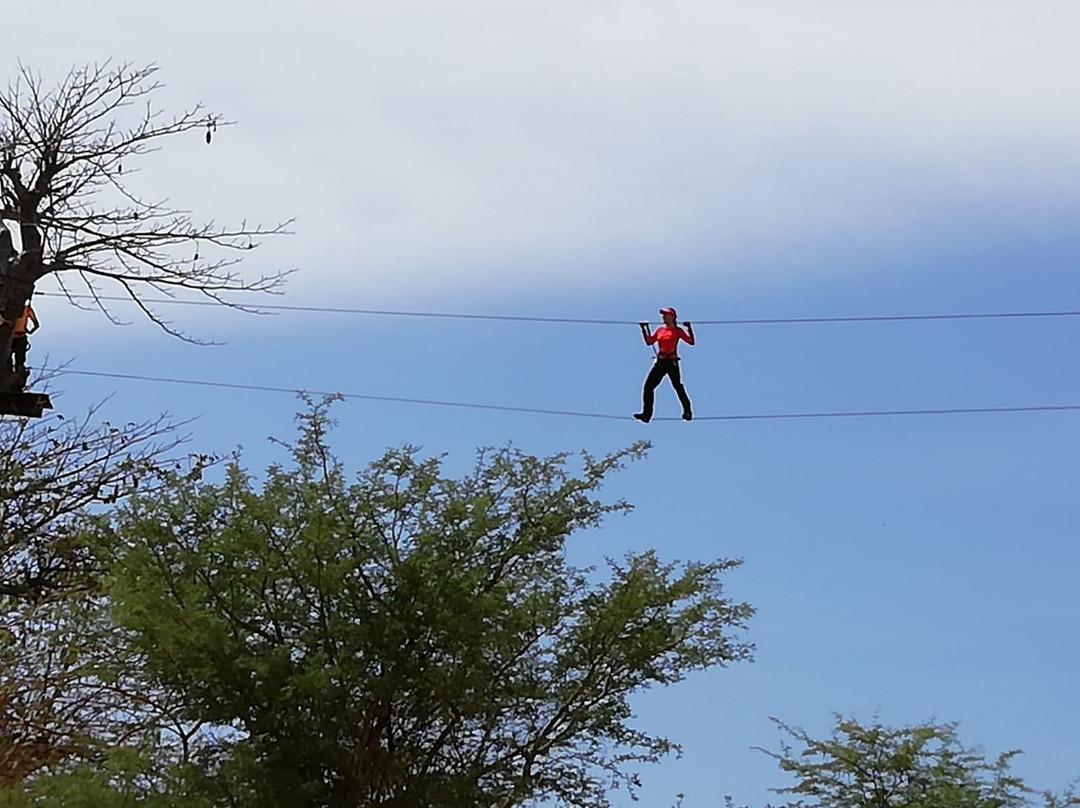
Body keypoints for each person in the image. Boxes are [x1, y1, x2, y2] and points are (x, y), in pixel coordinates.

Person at [634, 307, 694, 423]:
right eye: (663, 315)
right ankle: (646, 415)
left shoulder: (677, 331)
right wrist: (644, 329)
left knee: (677, 386)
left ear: (672, 317)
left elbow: (691, 342)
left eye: (666, 315)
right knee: (648, 387)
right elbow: (649, 342)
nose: (663, 317)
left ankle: (687, 412)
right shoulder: (660, 330)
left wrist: (689, 328)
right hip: (660, 362)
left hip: (671, 362)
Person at [10, 299, 39, 373]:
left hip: (17, 337)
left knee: (18, 361)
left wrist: (30, 331)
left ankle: (17, 373)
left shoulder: (26, 309)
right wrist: (30, 331)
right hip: (13, 338)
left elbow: (36, 324)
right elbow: (36, 324)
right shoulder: (26, 309)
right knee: (11, 361)